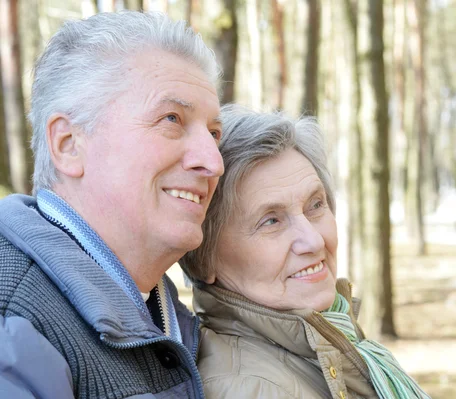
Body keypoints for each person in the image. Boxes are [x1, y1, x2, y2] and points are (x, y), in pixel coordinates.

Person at [0, 11, 223, 398]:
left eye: (214, 133)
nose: (214, 161)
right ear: (69, 145)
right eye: (172, 118)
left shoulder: (173, 322)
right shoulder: (15, 320)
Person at [180, 105, 430, 399]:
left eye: (315, 205)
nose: (313, 241)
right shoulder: (251, 389)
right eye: (271, 221)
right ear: (204, 258)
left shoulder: (330, 341)